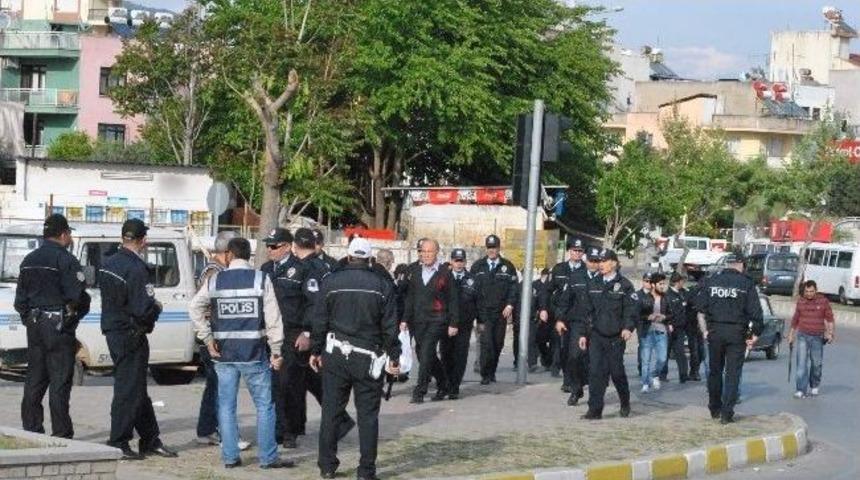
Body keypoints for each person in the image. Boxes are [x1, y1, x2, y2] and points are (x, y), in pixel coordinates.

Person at [189, 237, 293, 469]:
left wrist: (207, 339)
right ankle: (268, 458)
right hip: (253, 353)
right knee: (264, 406)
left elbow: (194, 307)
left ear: (229, 255)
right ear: (249, 255)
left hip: (224, 354)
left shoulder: (215, 280)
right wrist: (276, 350)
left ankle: (230, 457)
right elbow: (273, 318)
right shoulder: (260, 278)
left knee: (226, 406)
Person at [310, 237, 401, 480]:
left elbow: (319, 320)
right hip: (368, 357)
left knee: (331, 412)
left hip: (336, 354)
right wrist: (394, 356)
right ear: (370, 260)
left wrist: (316, 350)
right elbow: (390, 327)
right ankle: (366, 470)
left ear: (349, 257)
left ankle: (327, 466)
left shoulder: (330, 282)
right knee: (368, 417)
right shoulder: (382, 285)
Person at [99, 219, 176, 459]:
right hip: (131, 334)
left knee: (137, 388)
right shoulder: (137, 268)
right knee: (128, 390)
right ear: (143, 241)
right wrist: (157, 308)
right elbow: (143, 308)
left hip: (114, 330)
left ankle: (150, 439)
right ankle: (118, 441)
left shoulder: (108, 263)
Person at [15, 214, 91, 439]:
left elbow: (20, 301)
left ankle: (32, 430)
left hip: (35, 324)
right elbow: (77, 296)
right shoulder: (65, 260)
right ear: (64, 234)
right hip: (58, 325)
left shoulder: (29, 260)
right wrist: (70, 320)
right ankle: (61, 434)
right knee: (59, 381)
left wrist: (30, 319)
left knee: (35, 379)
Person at [194, 231, 251, 450]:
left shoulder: (216, 269)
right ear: (227, 253)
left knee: (214, 385)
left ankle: (207, 429)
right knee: (222, 387)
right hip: (214, 336)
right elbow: (203, 306)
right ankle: (227, 434)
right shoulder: (214, 272)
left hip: (214, 335)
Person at [694, 254, 763, 424]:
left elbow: (700, 309)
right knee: (733, 374)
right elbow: (756, 313)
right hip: (736, 333)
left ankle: (714, 408)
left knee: (715, 372)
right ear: (741, 265)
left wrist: (705, 331)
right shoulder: (746, 283)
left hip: (715, 331)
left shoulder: (711, 281)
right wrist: (754, 334)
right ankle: (727, 413)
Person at [260, 227, 306, 447]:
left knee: (289, 384)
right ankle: (276, 428)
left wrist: (308, 332)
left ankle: (290, 431)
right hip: (269, 333)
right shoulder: (265, 269)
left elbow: (311, 303)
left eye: (274, 246)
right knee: (271, 385)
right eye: (268, 246)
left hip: (291, 334)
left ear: (287, 246)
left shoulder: (300, 269)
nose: (269, 250)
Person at [581, 249, 636, 420]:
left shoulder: (625, 285)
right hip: (597, 335)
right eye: (599, 261)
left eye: (604, 261)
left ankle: (625, 402)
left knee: (616, 372)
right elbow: (587, 311)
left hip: (616, 336)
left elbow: (631, 310)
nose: (601, 264)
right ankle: (595, 410)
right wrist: (583, 334)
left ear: (614, 263)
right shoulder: (593, 283)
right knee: (595, 372)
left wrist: (628, 328)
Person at [402, 238, 459, 402]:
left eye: (429, 251)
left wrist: (454, 323)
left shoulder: (445, 273)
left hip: (438, 319)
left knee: (427, 351)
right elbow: (410, 298)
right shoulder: (414, 272)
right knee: (423, 354)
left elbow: (453, 299)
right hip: (419, 320)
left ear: (436, 253)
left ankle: (419, 391)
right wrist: (405, 319)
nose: (426, 255)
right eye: (423, 251)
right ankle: (444, 384)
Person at [471, 234, 518, 385]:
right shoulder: (478, 266)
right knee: (486, 344)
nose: (491, 250)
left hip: (500, 312)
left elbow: (513, 288)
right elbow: (471, 289)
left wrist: (510, 305)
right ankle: (485, 374)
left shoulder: (507, 266)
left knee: (498, 343)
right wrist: (473, 312)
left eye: (494, 247)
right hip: (483, 313)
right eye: (489, 247)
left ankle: (492, 372)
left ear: (499, 248)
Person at [542, 237, 586, 388]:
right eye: (574, 250)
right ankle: (565, 377)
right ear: (569, 251)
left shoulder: (586, 270)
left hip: (579, 316)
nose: (577, 253)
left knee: (576, 350)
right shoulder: (559, 269)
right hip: (561, 314)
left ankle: (572, 380)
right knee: (562, 347)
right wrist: (544, 309)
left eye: (580, 251)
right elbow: (547, 290)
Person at [440, 248, 478, 399]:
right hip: (445, 323)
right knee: (446, 354)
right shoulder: (443, 278)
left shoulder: (472, 280)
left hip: (464, 324)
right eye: (456, 260)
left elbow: (478, 301)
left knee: (460, 356)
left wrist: (480, 320)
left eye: (461, 261)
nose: (459, 263)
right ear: (451, 261)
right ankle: (446, 382)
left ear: (465, 262)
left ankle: (454, 387)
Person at [788, 280, 835, 398]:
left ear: (816, 290)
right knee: (801, 364)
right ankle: (800, 389)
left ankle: (814, 385)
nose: (809, 294)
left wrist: (830, 333)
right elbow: (795, 319)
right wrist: (791, 334)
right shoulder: (801, 301)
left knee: (816, 364)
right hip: (803, 336)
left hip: (817, 337)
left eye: (811, 291)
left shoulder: (823, 301)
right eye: (806, 291)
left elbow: (830, 319)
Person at [636, 273, 671, 393]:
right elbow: (637, 315)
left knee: (662, 358)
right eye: (660, 284)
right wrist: (648, 317)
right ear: (653, 285)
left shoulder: (666, 298)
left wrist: (665, 317)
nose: (662, 286)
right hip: (647, 332)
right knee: (645, 360)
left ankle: (654, 374)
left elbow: (672, 314)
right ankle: (645, 383)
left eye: (664, 284)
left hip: (661, 332)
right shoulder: (644, 298)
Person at [662, 272, 690, 383]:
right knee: (665, 352)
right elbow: (664, 312)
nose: (683, 283)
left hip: (680, 328)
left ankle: (683, 375)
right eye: (682, 281)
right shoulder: (667, 295)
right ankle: (662, 374)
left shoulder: (682, 293)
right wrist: (668, 323)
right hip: (669, 328)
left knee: (680, 352)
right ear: (677, 282)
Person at [528, 268, 553, 372]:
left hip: (549, 318)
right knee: (533, 340)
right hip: (535, 317)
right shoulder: (534, 285)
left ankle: (547, 362)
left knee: (543, 341)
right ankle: (532, 363)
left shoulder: (552, 286)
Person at [634, 272, 653, 377]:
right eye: (647, 281)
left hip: (655, 324)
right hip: (642, 324)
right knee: (643, 346)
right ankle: (642, 367)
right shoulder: (637, 295)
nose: (649, 283)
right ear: (643, 282)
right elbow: (635, 313)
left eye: (651, 281)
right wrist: (646, 317)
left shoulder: (655, 295)